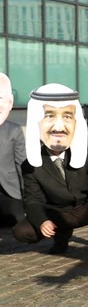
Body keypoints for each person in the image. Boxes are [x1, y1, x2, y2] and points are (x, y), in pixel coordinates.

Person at [12, 84, 88, 255]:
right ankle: (61, 237)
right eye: (49, 116)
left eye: (67, 116)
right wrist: (42, 222)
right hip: (59, 213)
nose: (59, 128)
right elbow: (32, 200)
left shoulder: (85, 150)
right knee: (22, 231)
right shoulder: (30, 164)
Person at [0, 73, 26, 231]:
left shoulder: (14, 130)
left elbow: (21, 163)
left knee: (19, 225)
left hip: (9, 189)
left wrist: (28, 196)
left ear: (10, 103)